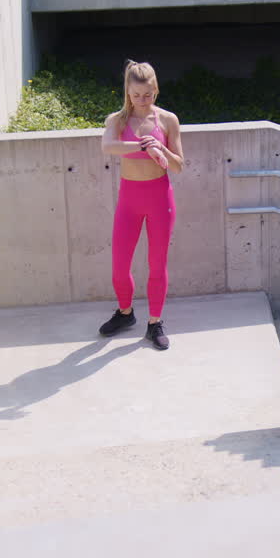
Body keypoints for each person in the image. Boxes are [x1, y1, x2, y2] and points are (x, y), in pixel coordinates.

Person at [98, 60, 185, 350]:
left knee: (156, 265)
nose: (142, 100)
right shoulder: (117, 121)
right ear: (128, 92)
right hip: (129, 200)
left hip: (160, 199)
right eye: (136, 95)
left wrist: (160, 148)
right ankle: (125, 314)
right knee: (119, 268)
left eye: (147, 95)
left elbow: (179, 166)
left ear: (156, 90)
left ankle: (154, 323)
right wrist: (141, 146)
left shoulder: (168, 120)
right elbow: (108, 147)